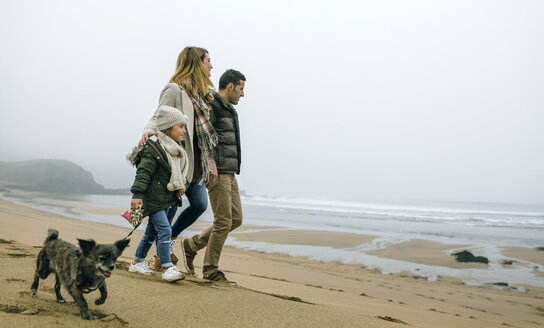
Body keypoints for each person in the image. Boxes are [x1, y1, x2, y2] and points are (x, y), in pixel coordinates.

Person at [140, 47, 218, 269]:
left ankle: (167, 243)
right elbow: (158, 115)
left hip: (197, 164)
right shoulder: (175, 90)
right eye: (208, 61)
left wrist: (210, 161)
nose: (211, 66)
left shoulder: (203, 96)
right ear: (196, 63)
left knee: (200, 205)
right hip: (178, 163)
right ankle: (155, 259)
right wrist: (148, 130)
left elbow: (205, 135)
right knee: (168, 211)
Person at [180, 69, 246, 283]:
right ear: (230, 86)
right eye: (241, 89)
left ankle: (192, 245)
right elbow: (202, 136)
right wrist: (210, 165)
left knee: (235, 219)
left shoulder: (229, 109)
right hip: (217, 172)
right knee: (223, 221)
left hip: (230, 171)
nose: (242, 94)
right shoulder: (213, 106)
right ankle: (210, 270)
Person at [128, 105, 189, 282]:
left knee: (151, 233)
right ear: (168, 128)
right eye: (181, 126)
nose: (184, 131)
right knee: (165, 230)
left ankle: (137, 262)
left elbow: (176, 172)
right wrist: (137, 194)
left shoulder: (175, 149)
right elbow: (143, 173)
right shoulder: (154, 148)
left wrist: (182, 184)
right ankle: (167, 267)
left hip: (167, 198)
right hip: (153, 198)